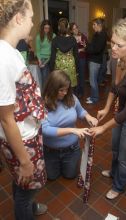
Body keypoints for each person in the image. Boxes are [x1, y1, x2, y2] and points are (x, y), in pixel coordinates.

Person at [0, 1, 47, 219]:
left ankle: (28, 204)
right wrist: (25, 161)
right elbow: (7, 119)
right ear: (18, 18)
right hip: (22, 140)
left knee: (24, 183)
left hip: (27, 134)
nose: (33, 22)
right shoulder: (4, 59)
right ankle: (25, 208)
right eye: (30, 17)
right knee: (27, 183)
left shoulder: (11, 51)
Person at [90, 18, 126, 200]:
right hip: (121, 114)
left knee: (124, 157)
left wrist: (103, 127)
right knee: (115, 148)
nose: (113, 48)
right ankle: (114, 173)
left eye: (119, 45)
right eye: (112, 42)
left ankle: (119, 186)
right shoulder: (120, 60)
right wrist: (106, 109)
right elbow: (115, 87)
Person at [42, 70, 98, 180]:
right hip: (50, 150)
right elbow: (45, 130)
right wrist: (72, 130)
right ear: (52, 89)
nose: (65, 93)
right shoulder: (42, 104)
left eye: (67, 89)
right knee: (52, 177)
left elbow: (80, 111)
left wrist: (89, 117)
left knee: (70, 175)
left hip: (71, 149)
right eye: (61, 90)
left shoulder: (71, 98)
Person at [49, 18, 79, 93]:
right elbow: (76, 55)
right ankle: (70, 103)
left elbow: (52, 57)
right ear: (68, 26)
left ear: (59, 27)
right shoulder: (73, 39)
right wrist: (77, 69)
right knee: (70, 89)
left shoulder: (55, 40)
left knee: (59, 88)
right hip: (71, 67)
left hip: (59, 67)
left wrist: (51, 70)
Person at [86, 18, 107, 104]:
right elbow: (93, 46)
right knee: (93, 80)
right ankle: (92, 96)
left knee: (93, 80)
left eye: (94, 24)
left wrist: (87, 48)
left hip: (95, 60)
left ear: (99, 25)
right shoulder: (97, 34)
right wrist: (87, 45)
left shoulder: (102, 35)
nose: (93, 26)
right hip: (93, 59)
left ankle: (94, 98)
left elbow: (97, 49)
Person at [36, 19, 55, 90]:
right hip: (42, 59)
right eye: (45, 28)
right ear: (42, 28)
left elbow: (54, 50)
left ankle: (50, 94)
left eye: (48, 28)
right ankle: (44, 96)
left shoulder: (53, 36)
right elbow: (38, 50)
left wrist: (48, 60)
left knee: (52, 78)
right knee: (45, 79)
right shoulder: (38, 37)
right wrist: (40, 61)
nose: (47, 30)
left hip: (51, 58)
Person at [70, 22, 88, 98]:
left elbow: (87, 47)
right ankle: (75, 91)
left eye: (76, 28)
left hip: (81, 58)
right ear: (71, 30)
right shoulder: (70, 37)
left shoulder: (82, 36)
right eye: (73, 29)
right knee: (74, 75)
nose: (75, 30)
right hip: (73, 59)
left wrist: (81, 48)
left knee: (81, 75)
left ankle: (81, 92)